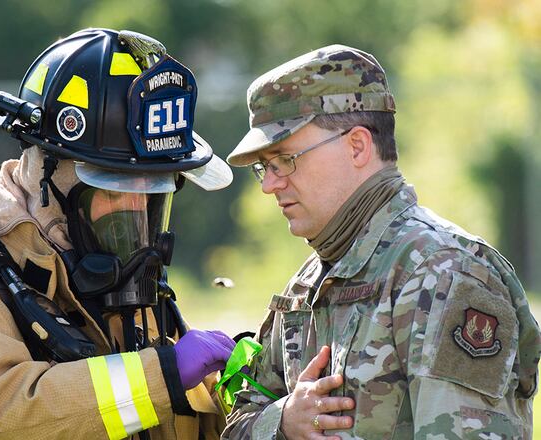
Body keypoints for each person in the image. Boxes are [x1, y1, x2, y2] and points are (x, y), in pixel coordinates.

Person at [0, 28, 236, 440]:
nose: (136, 212)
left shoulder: (114, 284)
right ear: (47, 177)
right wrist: (165, 375)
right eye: (117, 188)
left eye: (152, 195)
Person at [220, 44, 541, 439]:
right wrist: (283, 421)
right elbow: (236, 423)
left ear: (357, 145)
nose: (270, 184)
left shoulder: (445, 273)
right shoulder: (308, 285)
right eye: (264, 167)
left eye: (285, 159)